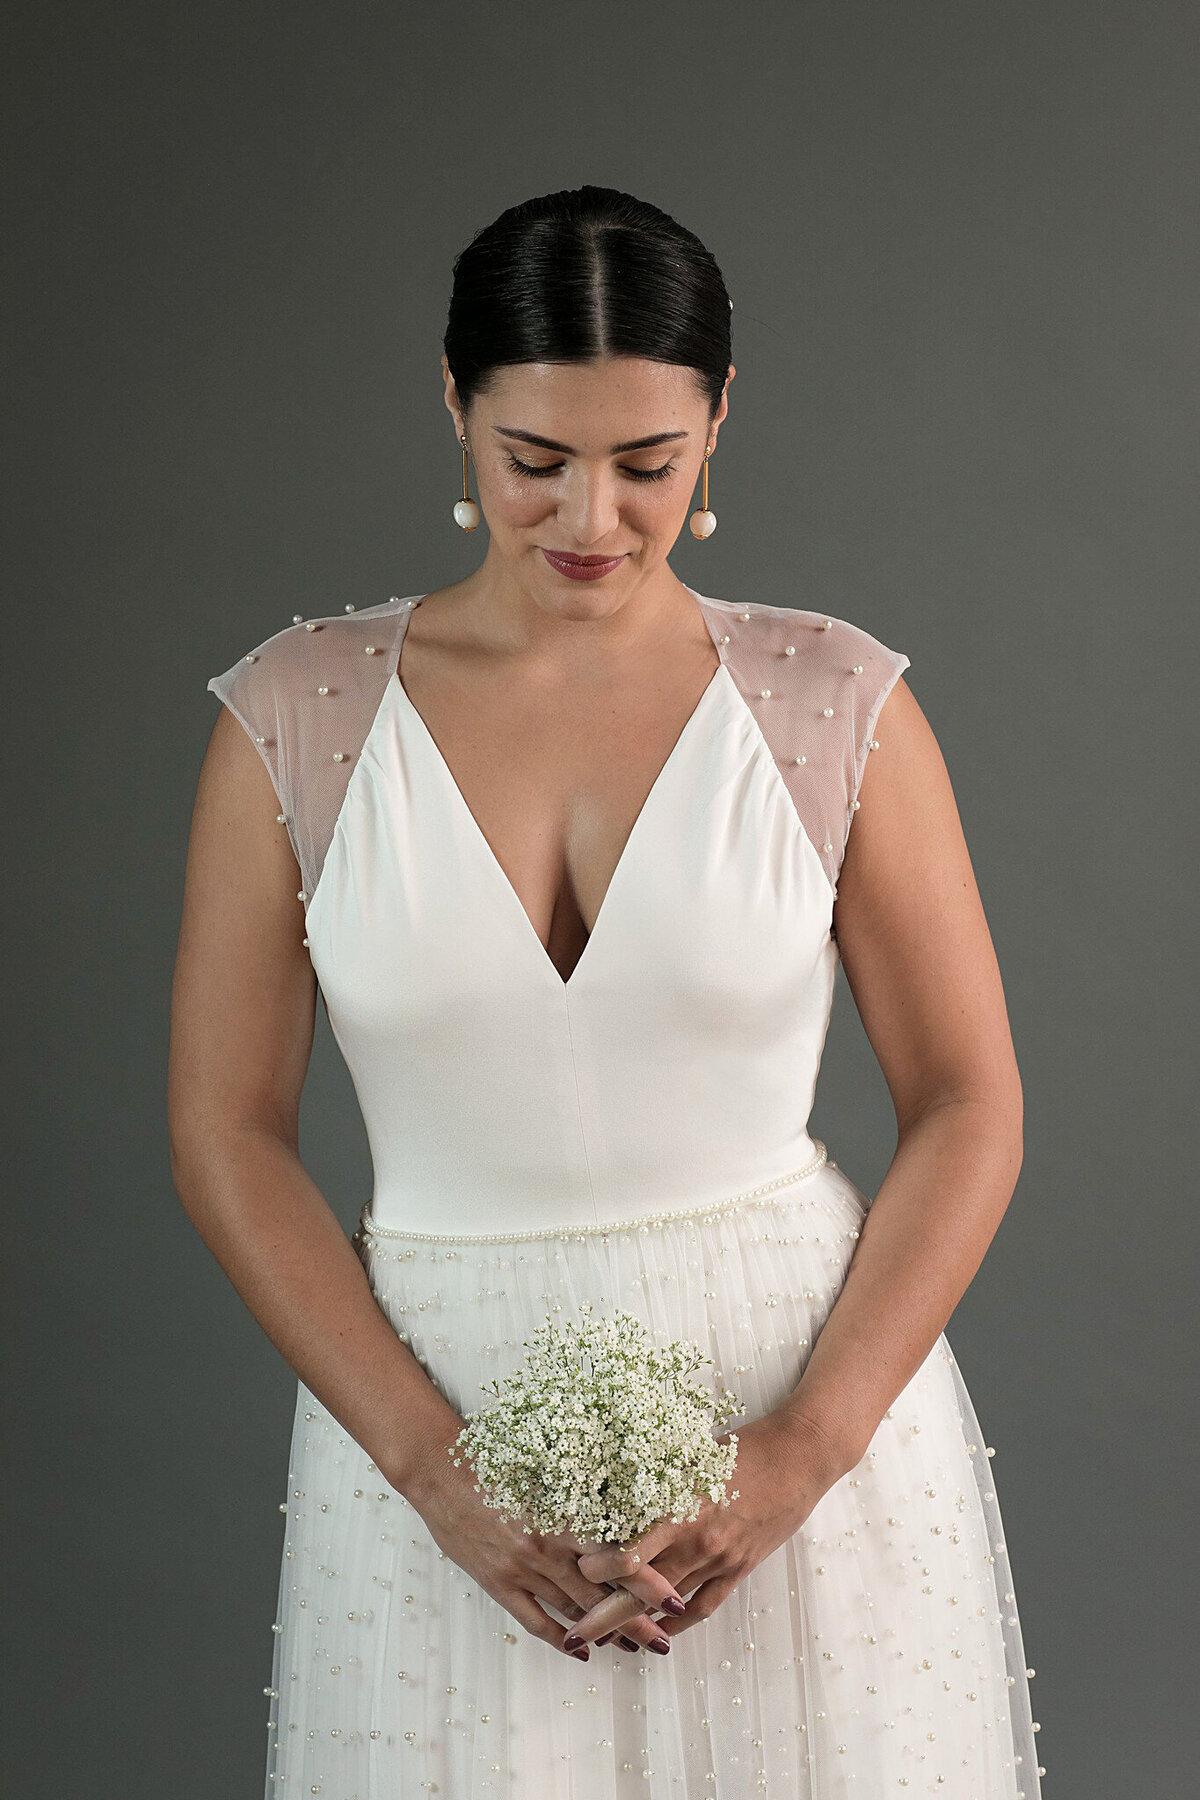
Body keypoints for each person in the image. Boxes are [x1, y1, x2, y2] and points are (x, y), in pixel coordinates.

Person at [169, 184, 1044, 1797]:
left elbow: (971, 1100)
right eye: (535, 461)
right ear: (454, 406)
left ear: (719, 421)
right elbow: (224, 1127)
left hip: (797, 1408)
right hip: (434, 1418)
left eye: (649, 463)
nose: (592, 517)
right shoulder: (297, 716)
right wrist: (434, 1474)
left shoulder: (831, 700)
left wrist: (806, 1453)